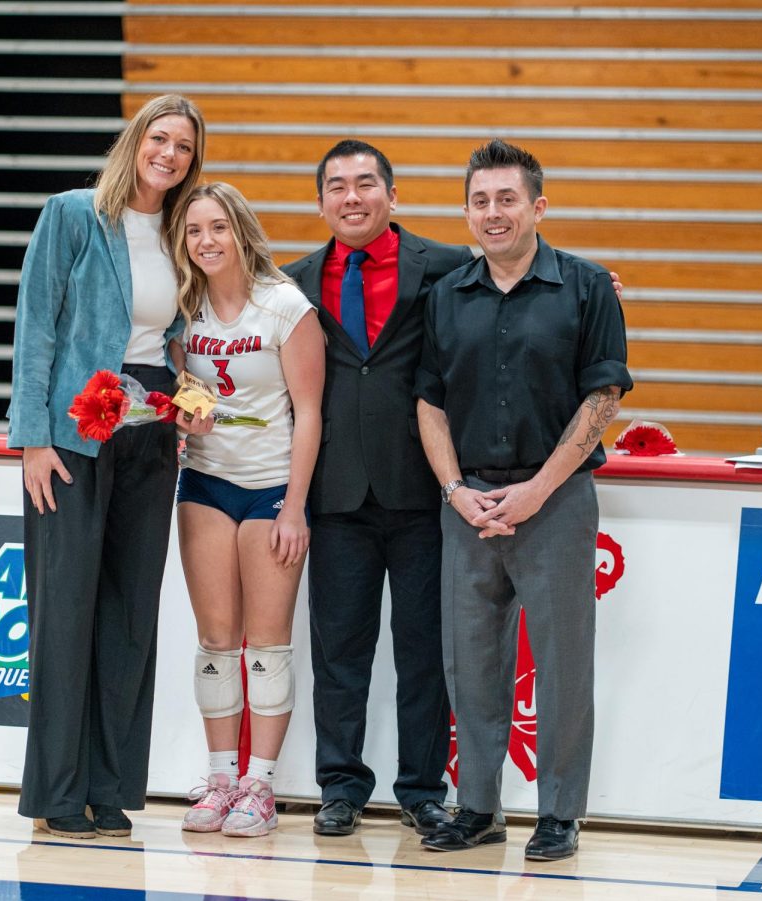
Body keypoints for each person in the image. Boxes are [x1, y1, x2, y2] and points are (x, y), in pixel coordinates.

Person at [415, 139, 633, 861]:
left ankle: (559, 813)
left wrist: (539, 490)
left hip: (557, 499)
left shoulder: (587, 287)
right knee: (470, 662)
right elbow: (430, 404)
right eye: (480, 200)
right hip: (468, 503)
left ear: (538, 206)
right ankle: (477, 807)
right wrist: (455, 491)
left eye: (507, 199)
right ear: (466, 211)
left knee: (565, 659)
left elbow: (604, 395)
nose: (493, 212)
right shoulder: (445, 295)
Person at [7, 93, 205, 840]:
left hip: (152, 434)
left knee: (129, 618)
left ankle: (112, 785)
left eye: (184, 147)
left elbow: (175, 339)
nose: (170, 155)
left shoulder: (186, 230)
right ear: (137, 140)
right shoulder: (73, 214)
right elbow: (35, 327)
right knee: (65, 616)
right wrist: (32, 438)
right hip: (73, 438)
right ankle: (59, 792)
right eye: (160, 138)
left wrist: (192, 403)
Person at [280, 141, 473, 837]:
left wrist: (589, 283)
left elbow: (520, 278)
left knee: (423, 651)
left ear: (393, 194)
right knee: (339, 651)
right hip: (335, 496)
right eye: (337, 186)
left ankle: (423, 788)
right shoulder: (292, 282)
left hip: (423, 491)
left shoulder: (448, 266)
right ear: (322, 200)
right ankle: (340, 784)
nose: (351, 196)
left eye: (365, 184)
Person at [168, 183, 324, 837]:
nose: (206, 240)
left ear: (241, 231)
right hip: (205, 484)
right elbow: (186, 397)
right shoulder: (184, 311)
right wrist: (184, 419)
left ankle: (260, 784)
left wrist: (294, 506)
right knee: (214, 640)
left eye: (218, 227)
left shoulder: (284, 306)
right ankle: (220, 777)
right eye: (194, 230)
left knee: (266, 644)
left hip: (269, 490)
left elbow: (311, 412)